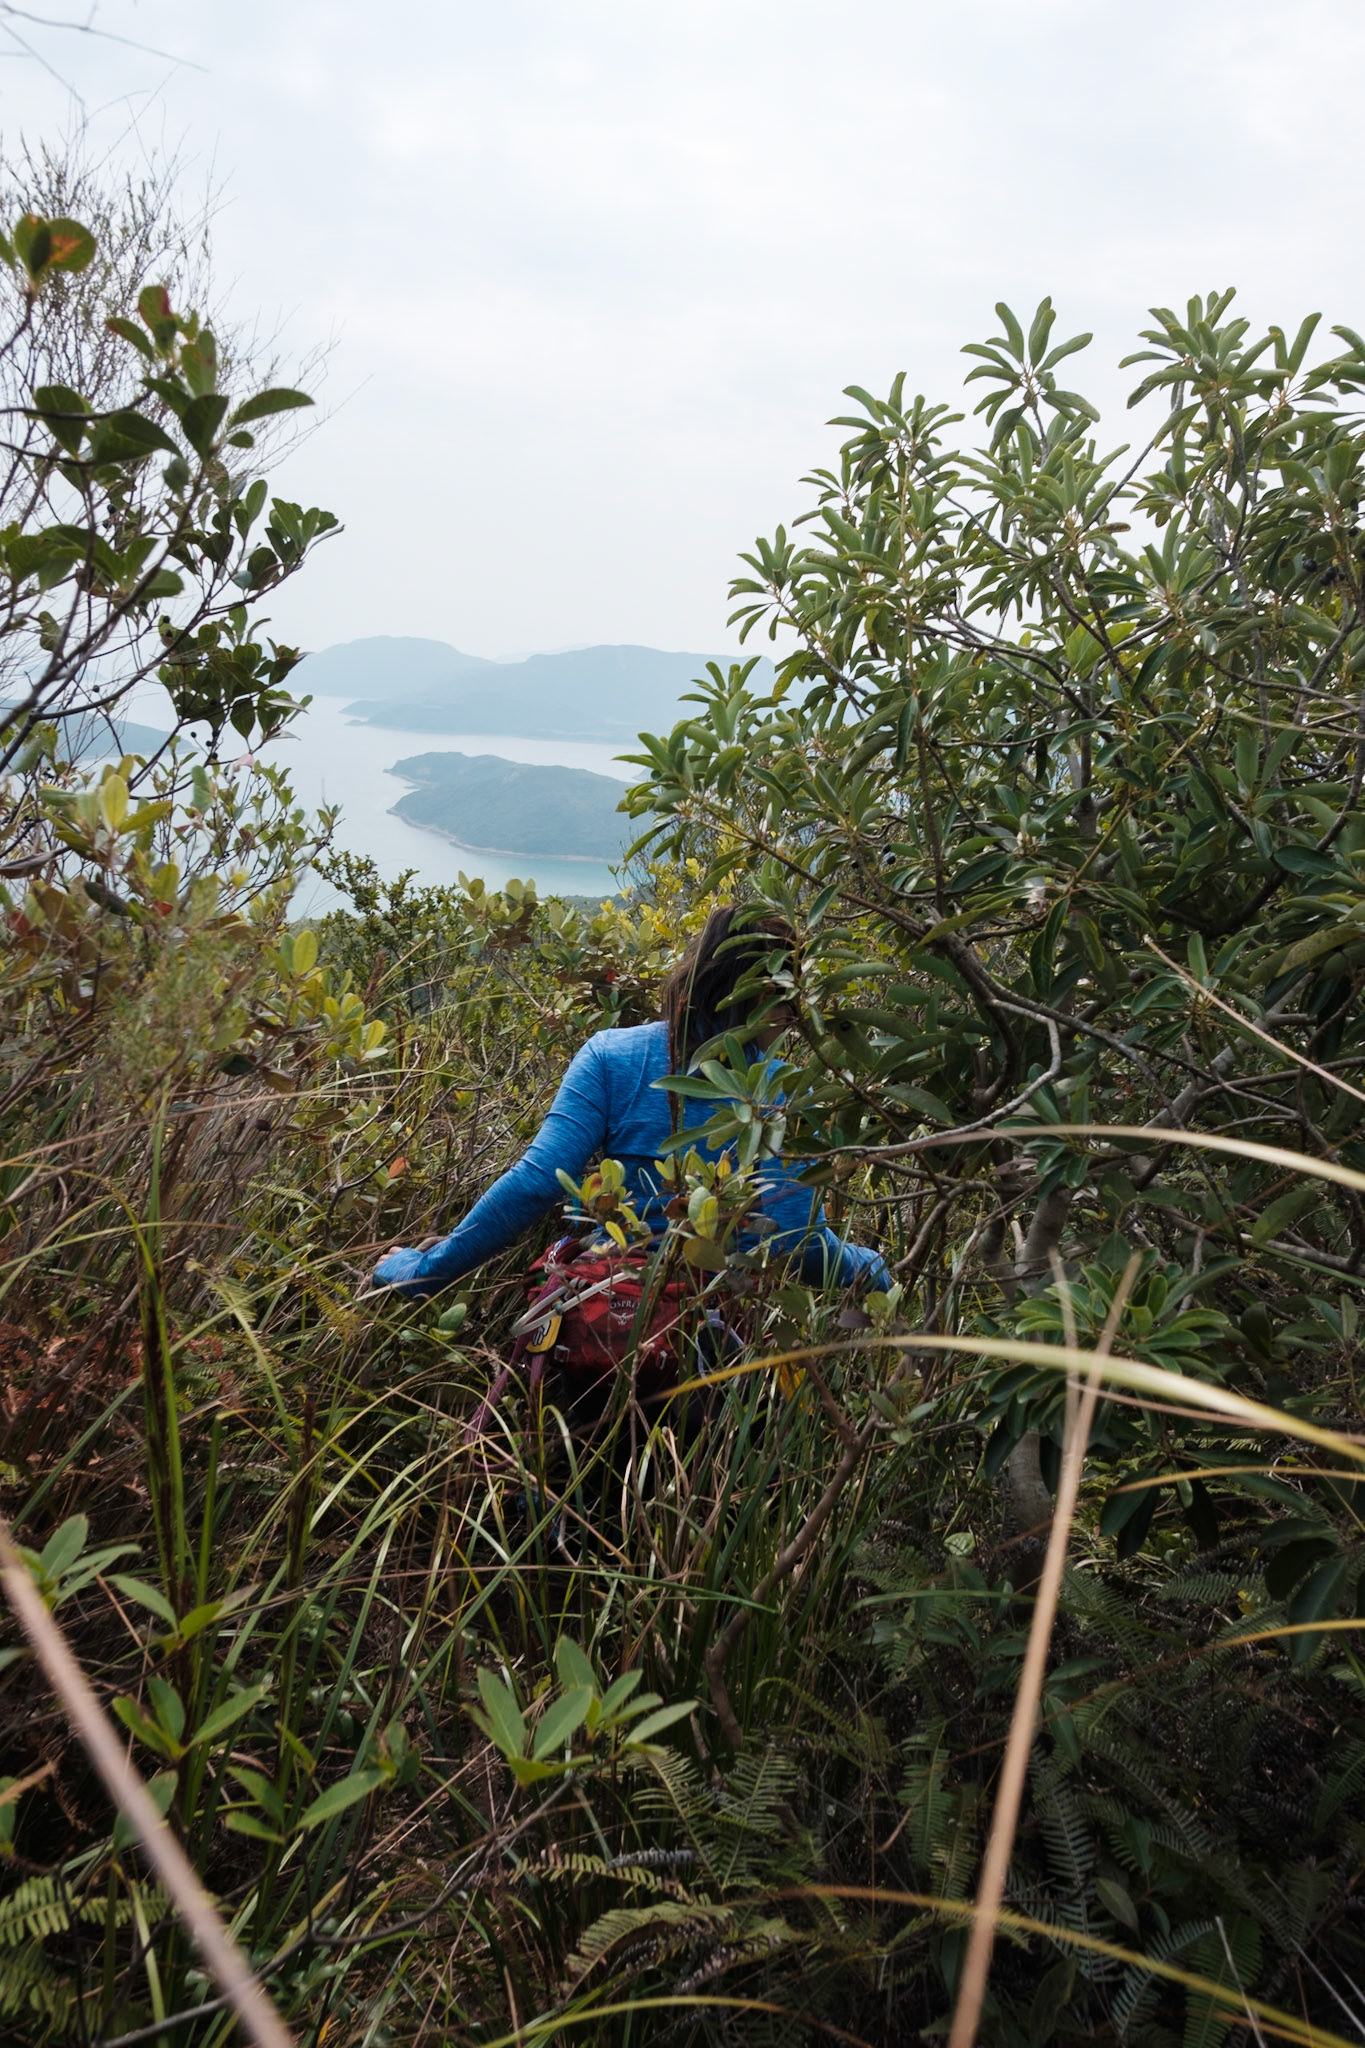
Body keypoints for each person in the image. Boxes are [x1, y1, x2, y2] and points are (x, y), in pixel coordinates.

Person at [370, 905, 890, 1300]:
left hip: (602, 1316)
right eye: (786, 996)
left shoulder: (610, 1056)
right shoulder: (790, 1091)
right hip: (720, 1340)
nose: (791, 1016)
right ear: (757, 992)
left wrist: (425, 1274)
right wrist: (872, 1270)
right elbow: (795, 1244)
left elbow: (535, 1184)